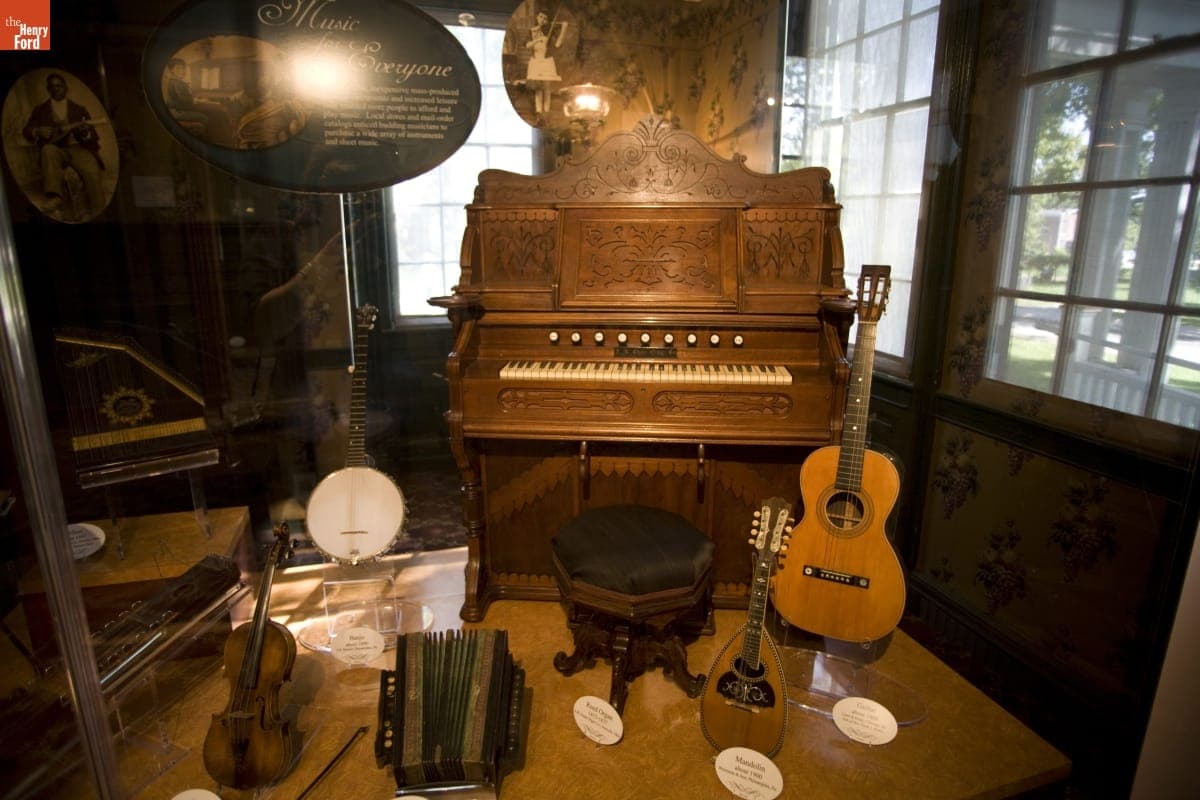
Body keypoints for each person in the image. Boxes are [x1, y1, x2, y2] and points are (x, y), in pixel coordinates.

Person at [21, 72, 105, 217]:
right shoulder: (40, 110)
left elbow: (93, 138)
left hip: (78, 148)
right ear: (48, 89)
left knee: (91, 168)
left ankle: (100, 211)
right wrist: (37, 131)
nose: (56, 89)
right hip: (55, 149)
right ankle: (55, 197)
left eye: (59, 86)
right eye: (52, 87)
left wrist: (86, 133)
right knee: (47, 150)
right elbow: (26, 130)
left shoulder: (79, 109)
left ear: (65, 88)